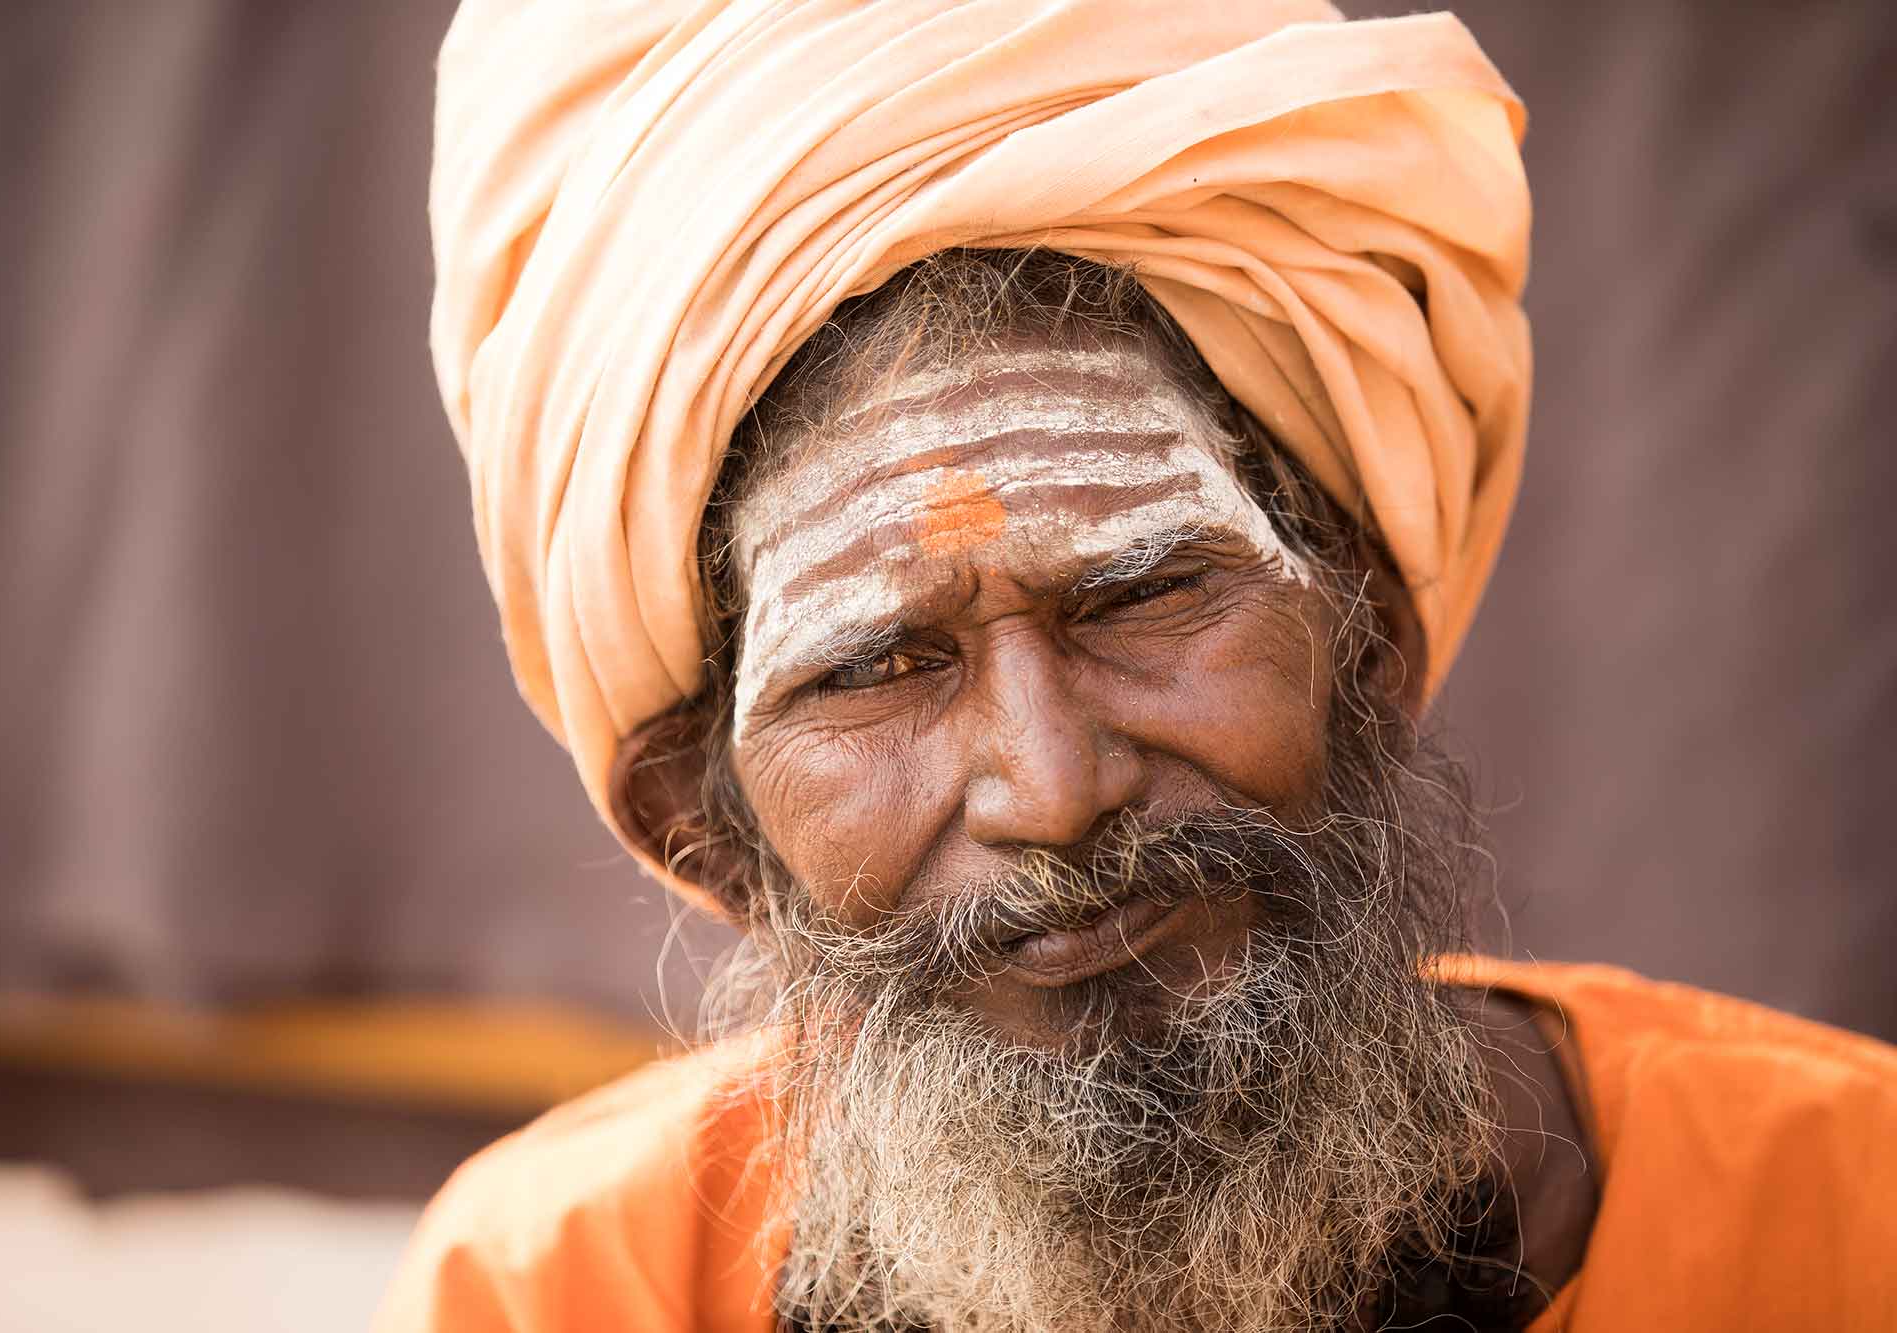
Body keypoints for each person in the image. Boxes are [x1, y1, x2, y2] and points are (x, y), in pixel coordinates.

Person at [381, 2, 1897, 1328]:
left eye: (1145, 594)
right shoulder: (559, 1293)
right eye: (878, 667)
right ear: (699, 826)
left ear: (1362, 631)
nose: (1051, 788)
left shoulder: (1850, 1216)